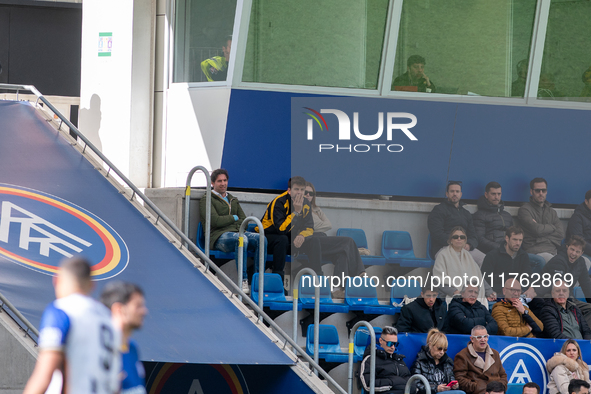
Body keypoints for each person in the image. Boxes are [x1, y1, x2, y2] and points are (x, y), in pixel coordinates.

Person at [23, 257, 120, 394]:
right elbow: (115, 381)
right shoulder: (109, 318)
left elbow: (44, 374)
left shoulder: (61, 310)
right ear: (92, 285)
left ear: (56, 280)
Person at [261, 176, 366, 296]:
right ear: (289, 191)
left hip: (294, 239)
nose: (300, 193)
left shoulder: (306, 204)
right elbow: (281, 229)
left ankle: (318, 282)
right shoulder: (278, 202)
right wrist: (296, 212)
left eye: (302, 190)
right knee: (282, 239)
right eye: (296, 189)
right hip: (271, 238)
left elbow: (309, 227)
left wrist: (302, 236)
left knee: (316, 240)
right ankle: (278, 281)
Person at [200, 168, 267, 294]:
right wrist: (233, 218)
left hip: (236, 232)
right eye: (219, 181)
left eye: (225, 180)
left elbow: (244, 220)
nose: (223, 183)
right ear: (212, 183)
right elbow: (215, 222)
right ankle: (243, 281)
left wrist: (233, 221)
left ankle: (258, 280)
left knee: (261, 239)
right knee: (242, 239)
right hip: (218, 236)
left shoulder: (232, 199)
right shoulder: (207, 199)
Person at [101, 282, 148, 394]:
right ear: (119, 309)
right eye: (138, 306)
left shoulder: (132, 348)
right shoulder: (98, 349)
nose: (144, 311)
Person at [432, 226, 496, 305]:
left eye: (462, 237)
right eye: (455, 237)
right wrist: (454, 292)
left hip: (472, 294)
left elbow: (479, 276)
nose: (459, 239)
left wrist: (489, 291)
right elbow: (438, 280)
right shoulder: (442, 255)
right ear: (450, 240)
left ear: (465, 240)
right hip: (452, 295)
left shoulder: (468, 256)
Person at [428, 181, 483, 264]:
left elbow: (473, 235)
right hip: (444, 248)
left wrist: (469, 245)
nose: (455, 194)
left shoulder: (466, 213)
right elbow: (436, 233)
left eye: (457, 191)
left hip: (464, 248)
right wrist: (455, 243)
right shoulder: (439, 210)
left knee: (485, 260)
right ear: (447, 194)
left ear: (461, 194)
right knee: (457, 263)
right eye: (452, 191)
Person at [517, 177, 564, 270]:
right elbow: (536, 230)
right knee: (557, 263)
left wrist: (540, 233)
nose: (541, 193)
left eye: (543, 190)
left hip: (553, 251)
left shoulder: (552, 212)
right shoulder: (525, 210)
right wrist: (552, 227)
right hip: (535, 251)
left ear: (546, 191)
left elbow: (560, 234)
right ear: (531, 192)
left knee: (581, 261)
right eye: (537, 190)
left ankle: (575, 285)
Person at [480, 226, 535, 296]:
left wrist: (531, 287)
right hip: (498, 292)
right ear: (507, 238)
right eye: (515, 239)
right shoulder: (492, 255)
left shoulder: (523, 255)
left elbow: (527, 275)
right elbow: (485, 278)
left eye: (520, 240)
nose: (518, 243)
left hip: (517, 292)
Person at [453, 326, 507, 394]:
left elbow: (503, 375)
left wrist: (499, 388)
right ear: (472, 339)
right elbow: (460, 379)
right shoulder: (462, 355)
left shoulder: (495, 354)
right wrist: (478, 387)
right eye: (479, 337)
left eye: (485, 336)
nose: (483, 339)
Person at [360, 326, 412, 394]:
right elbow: (368, 385)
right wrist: (393, 382)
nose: (392, 347)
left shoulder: (399, 360)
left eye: (395, 344)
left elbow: (411, 384)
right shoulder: (370, 359)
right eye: (390, 343)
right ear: (381, 341)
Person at [411, 328, 464, 394]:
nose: (442, 352)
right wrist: (436, 388)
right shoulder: (420, 362)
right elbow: (415, 386)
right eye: (439, 348)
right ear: (430, 345)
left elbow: (451, 380)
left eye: (444, 350)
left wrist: (455, 386)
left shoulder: (447, 362)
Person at [541, 236, 591, 302]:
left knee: (587, 309)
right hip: (549, 298)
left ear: (581, 253)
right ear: (567, 247)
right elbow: (559, 288)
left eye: (577, 251)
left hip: (567, 298)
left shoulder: (581, 262)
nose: (573, 253)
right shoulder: (558, 260)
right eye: (572, 249)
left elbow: (586, 286)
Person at [472, 182, 514, 258]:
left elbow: (514, 234)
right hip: (491, 252)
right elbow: (480, 239)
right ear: (486, 195)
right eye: (493, 194)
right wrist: (501, 248)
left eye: (499, 194)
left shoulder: (507, 215)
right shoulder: (480, 215)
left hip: (510, 251)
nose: (496, 197)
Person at [566, 190, 591, 269]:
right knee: (585, 261)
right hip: (582, 252)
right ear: (586, 202)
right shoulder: (577, 217)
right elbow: (579, 242)